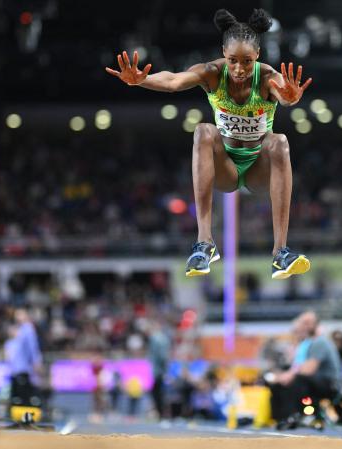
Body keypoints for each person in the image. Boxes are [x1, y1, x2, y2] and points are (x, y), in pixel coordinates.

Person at [106, 9, 312, 280]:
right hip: (224, 167)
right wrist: (142, 80)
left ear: (258, 56)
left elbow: (284, 95)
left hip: (258, 170)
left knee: (280, 142)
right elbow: (172, 81)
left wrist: (290, 99)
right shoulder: (213, 73)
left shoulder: (267, 77)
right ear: (223, 54)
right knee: (203, 131)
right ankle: (204, 243)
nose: (240, 69)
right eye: (233, 61)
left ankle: (280, 252)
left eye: (247, 61)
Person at [267, 311, 342, 429]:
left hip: (331, 384)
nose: (305, 326)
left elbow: (308, 370)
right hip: (316, 380)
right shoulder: (307, 343)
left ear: (316, 324)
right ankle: (280, 418)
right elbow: (297, 367)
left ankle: (294, 415)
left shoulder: (320, 342)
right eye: (303, 323)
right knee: (278, 385)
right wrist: (282, 378)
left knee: (298, 380)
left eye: (308, 323)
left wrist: (288, 376)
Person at [4, 307, 43, 409]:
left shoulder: (28, 329)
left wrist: (36, 361)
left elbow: (32, 347)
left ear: (26, 316)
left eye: (21, 314)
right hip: (16, 369)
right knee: (16, 396)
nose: (18, 317)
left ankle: (27, 417)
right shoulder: (18, 331)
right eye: (17, 315)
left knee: (25, 395)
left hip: (23, 368)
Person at [147, 320, 171, 419]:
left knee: (157, 393)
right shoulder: (164, 338)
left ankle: (161, 414)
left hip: (158, 371)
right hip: (160, 370)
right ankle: (161, 414)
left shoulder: (156, 339)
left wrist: (164, 371)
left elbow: (162, 357)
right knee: (159, 393)